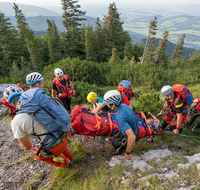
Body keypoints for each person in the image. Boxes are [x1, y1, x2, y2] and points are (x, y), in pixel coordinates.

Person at [4, 73, 73, 167]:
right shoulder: (38, 102)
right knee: (57, 137)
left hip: (57, 145)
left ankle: (66, 163)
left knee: (35, 153)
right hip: (67, 131)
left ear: (11, 104)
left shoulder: (16, 122)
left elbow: (27, 146)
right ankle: (71, 159)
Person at [103, 90, 139, 160]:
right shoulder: (123, 105)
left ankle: (120, 150)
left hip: (133, 133)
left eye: (107, 103)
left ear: (113, 105)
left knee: (115, 142)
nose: (106, 105)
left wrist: (128, 153)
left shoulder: (120, 118)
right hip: (135, 127)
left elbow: (132, 137)